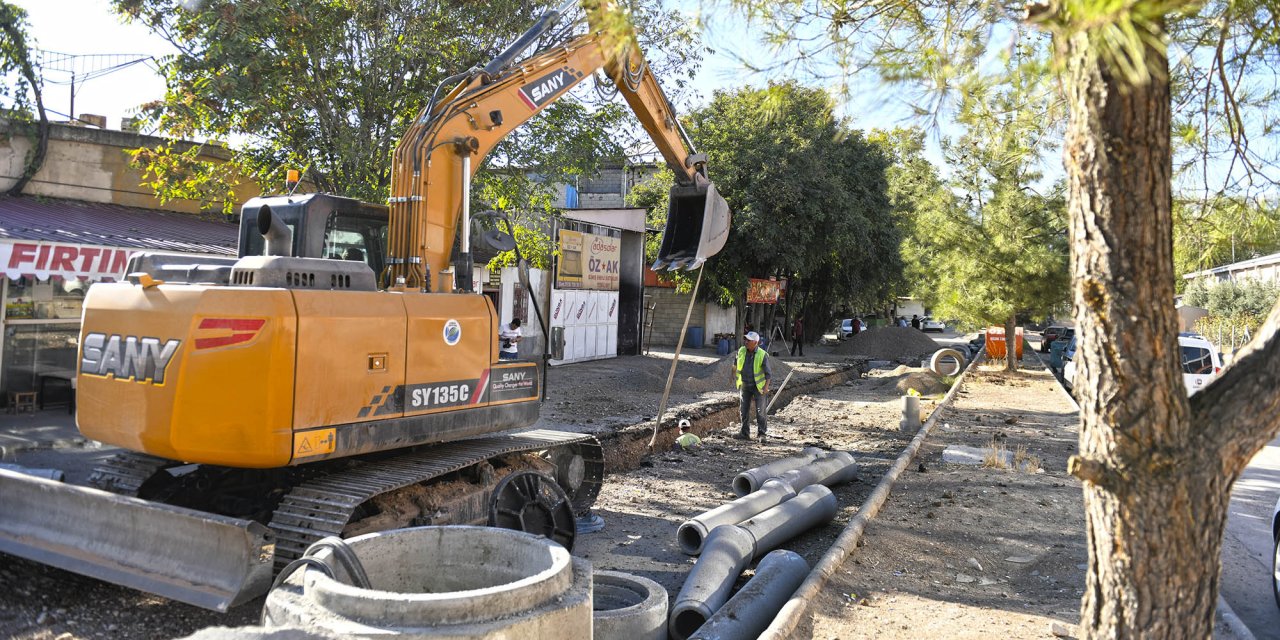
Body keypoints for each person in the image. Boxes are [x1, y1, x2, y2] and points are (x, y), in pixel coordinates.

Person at [732, 331, 772, 442]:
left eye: (748, 340)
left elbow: (768, 374)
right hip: (744, 385)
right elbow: (735, 364)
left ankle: (762, 434)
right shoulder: (741, 351)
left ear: (755, 342)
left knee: (760, 411)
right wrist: (733, 374)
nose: (746, 342)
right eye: (745, 339)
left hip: (758, 387)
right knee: (743, 410)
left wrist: (765, 387)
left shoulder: (762, 355)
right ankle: (744, 433)